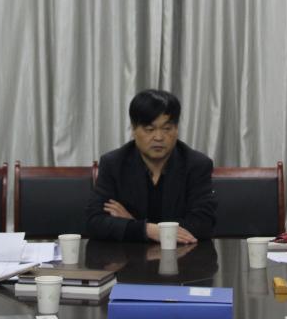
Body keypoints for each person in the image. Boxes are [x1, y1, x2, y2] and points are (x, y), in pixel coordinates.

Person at [85, 89, 217, 242]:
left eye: (167, 128)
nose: (159, 137)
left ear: (176, 129)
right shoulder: (114, 164)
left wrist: (134, 224)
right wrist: (147, 230)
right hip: (129, 256)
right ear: (134, 129)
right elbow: (94, 222)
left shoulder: (196, 165)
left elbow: (203, 224)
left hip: (182, 255)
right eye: (149, 129)